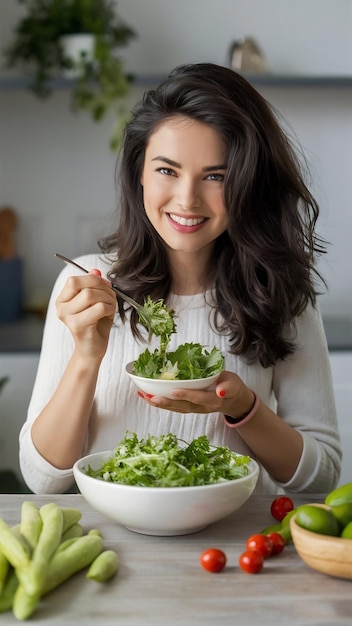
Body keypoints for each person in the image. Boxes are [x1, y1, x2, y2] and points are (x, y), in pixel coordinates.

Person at [19, 63, 341, 495]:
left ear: (247, 183)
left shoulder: (281, 293)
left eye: (215, 176)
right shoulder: (84, 285)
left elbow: (321, 476)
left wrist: (243, 407)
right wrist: (87, 356)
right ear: (139, 174)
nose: (187, 200)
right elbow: (42, 479)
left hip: (235, 552)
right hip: (116, 546)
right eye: (167, 171)